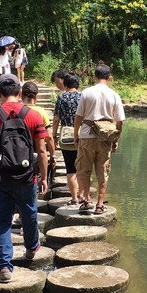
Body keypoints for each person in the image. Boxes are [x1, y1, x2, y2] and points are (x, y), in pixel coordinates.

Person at [0, 74, 49, 283]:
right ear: (19, 92)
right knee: (29, 213)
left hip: (0, 179)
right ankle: (31, 247)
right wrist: (43, 177)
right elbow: (42, 151)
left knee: (2, 221)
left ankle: (3, 268)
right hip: (27, 177)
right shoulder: (33, 116)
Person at [74, 63, 125, 214]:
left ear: (95, 77)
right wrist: (116, 138)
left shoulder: (87, 93)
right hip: (106, 137)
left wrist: (76, 134)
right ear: (109, 77)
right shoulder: (114, 95)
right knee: (103, 171)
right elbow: (120, 121)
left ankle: (86, 200)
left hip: (86, 135)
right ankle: (100, 204)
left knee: (84, 169)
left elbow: (79, 116)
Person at [52, 72, 81, 205]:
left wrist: (54, 135)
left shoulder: (62, 97)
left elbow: (56, 119)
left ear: (66, 84)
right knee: (82, 168)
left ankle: (74, 198)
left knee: (70, 168)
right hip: (82, 136)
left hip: (66, 136)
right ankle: (83, 196)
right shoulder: (83, 97)